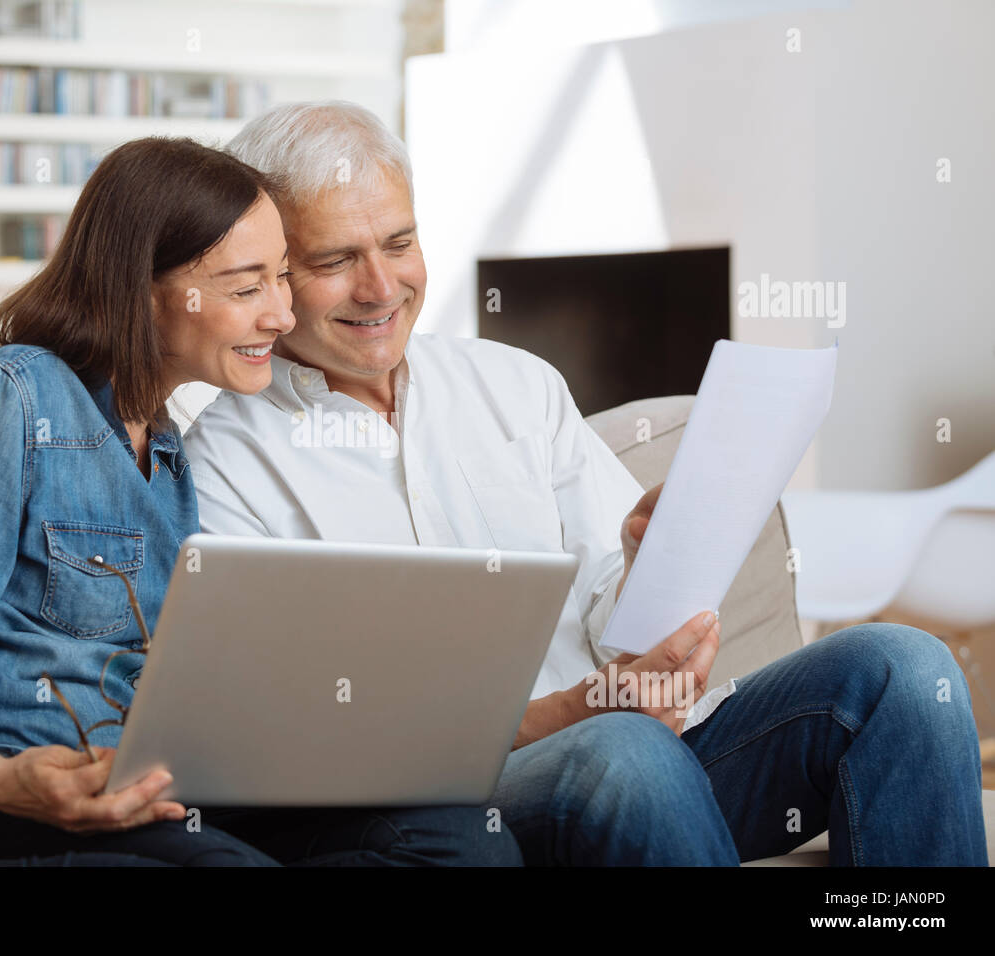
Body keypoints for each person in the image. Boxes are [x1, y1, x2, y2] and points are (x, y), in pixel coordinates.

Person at [181, 101, 990, 866]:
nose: (382, 287)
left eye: (398, 243)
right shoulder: (226, 462)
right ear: (273, 272)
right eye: (335, 260)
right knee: (622, 752)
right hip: (478, 806)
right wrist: (577, 714)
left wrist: (650, 573)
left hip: (644, 757)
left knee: (905, 672)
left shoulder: (514, 386)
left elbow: (621, 617)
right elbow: (315, 734)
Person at [0, 137, 521, 868]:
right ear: (141, 292)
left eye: (283, 278)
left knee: (461, 838)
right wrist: (6, 782)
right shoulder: (16, 397)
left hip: (150, 791)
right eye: (245, 288)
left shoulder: (171, 457)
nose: (282, 317)